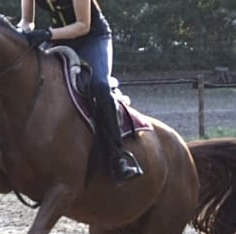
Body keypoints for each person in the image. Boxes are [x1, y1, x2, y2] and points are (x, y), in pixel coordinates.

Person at [18, 0, 143, 182]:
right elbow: (26, 21)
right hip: (58, 38)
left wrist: (47, 33)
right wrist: (21, 33)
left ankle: (118, 157)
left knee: (99, 85)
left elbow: (83, 26)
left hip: (92, 38)